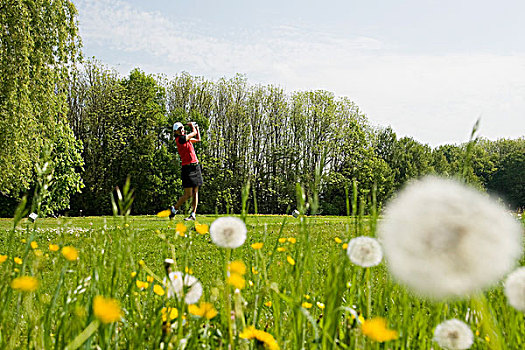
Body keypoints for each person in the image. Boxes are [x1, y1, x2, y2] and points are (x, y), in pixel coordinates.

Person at [169, 121, 203, 221]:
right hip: (187, 168)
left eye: (182, 128)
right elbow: (193, 134)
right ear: (176, 131)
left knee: (196, 191)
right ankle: (174, 209)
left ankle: (193, 214)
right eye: (180, 129)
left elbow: (198, 139)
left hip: (195, 166)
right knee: (188, 194)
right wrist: (193, 127)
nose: (182, 130)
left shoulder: (186, 139)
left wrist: (197, 128)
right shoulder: (180, 139)